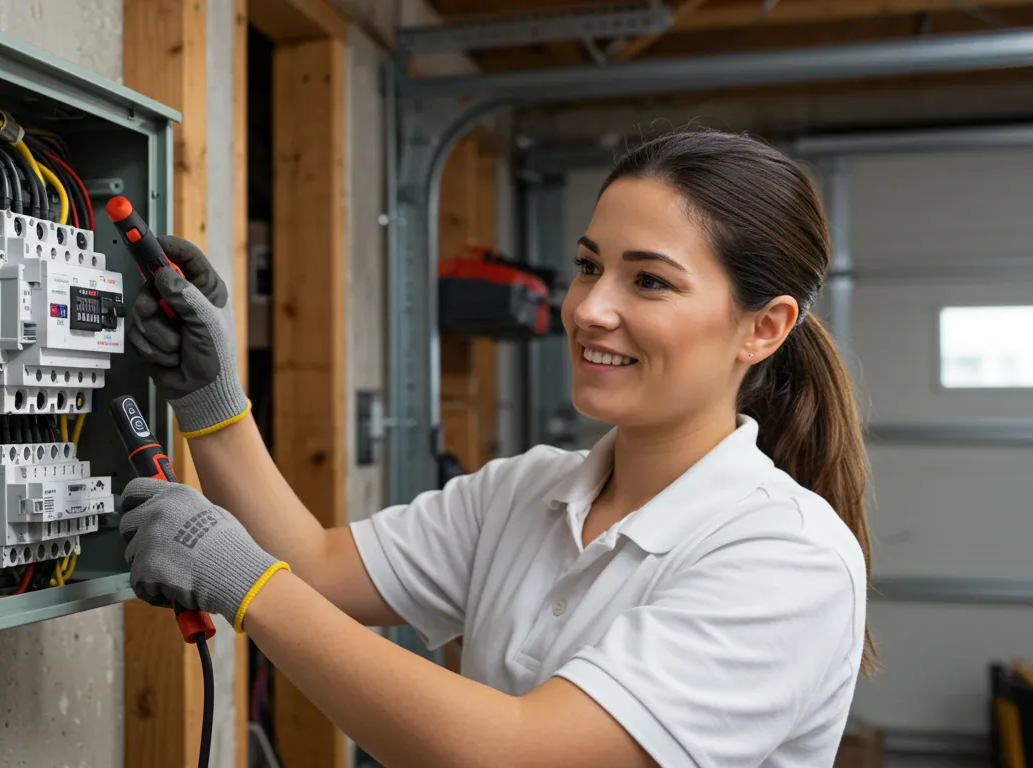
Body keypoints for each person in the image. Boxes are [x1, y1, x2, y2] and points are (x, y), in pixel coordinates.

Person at [118, 128, 874, 768]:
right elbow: (316, 569)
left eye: (648, 281)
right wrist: (211, 401)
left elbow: (515, 753)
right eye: (588, 266)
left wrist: (243, 582)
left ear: (764, 327)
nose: (589, 308)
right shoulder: (525, 491)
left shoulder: (788, 554)